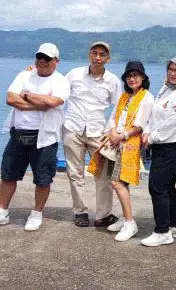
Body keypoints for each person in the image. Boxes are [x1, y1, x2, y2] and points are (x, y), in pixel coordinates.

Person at [0, 43, 69, 231]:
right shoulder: (24, 75)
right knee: (8, 175)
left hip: (45, 138)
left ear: (56, 61)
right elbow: (11, 99)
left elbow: (54, 102)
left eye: (47, 58)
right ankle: (2, 212)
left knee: (43, 179)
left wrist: (26, 95)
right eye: (39, 57)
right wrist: (39, 103)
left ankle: (36, 214)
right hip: (18, 134)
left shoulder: (61, 81)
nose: (42, 61)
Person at [88, 61, 154, 242]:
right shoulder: (125, 97)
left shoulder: (146, 97)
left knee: (117, 183)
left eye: (135, 76)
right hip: (116, 144)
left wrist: (121, 135)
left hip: (129, 146)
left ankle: (130, 223)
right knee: (118, 182)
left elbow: (140, 125)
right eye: (129, 76)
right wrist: (111, 133)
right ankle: (126, 218)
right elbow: (113, 118)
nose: (132, 79)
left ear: (143, 78)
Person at [63, 41, 123, 228]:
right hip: (73, 128)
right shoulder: (74, 74)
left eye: (102, 55)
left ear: (108, 59)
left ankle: (103, 215)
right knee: (75, 173)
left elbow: (119, 108)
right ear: (89, 55)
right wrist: (33, 72)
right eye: (94, 53)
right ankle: (80, 212)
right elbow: (58, 91)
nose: (97, 57)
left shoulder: (113, 81)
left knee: (103, 175)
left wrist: (112, 129)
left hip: (98, 133)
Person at [140, 55, 176, 247]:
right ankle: (174, 225)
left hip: (173, 144)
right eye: (170, 69)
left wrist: (152, 137)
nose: (173, 73)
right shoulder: (166, 88)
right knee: (168, 185)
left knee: (157, 186)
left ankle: (162, 231)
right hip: (160, 143)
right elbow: (155, 112)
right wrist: (147, 131)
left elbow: (175, 121)